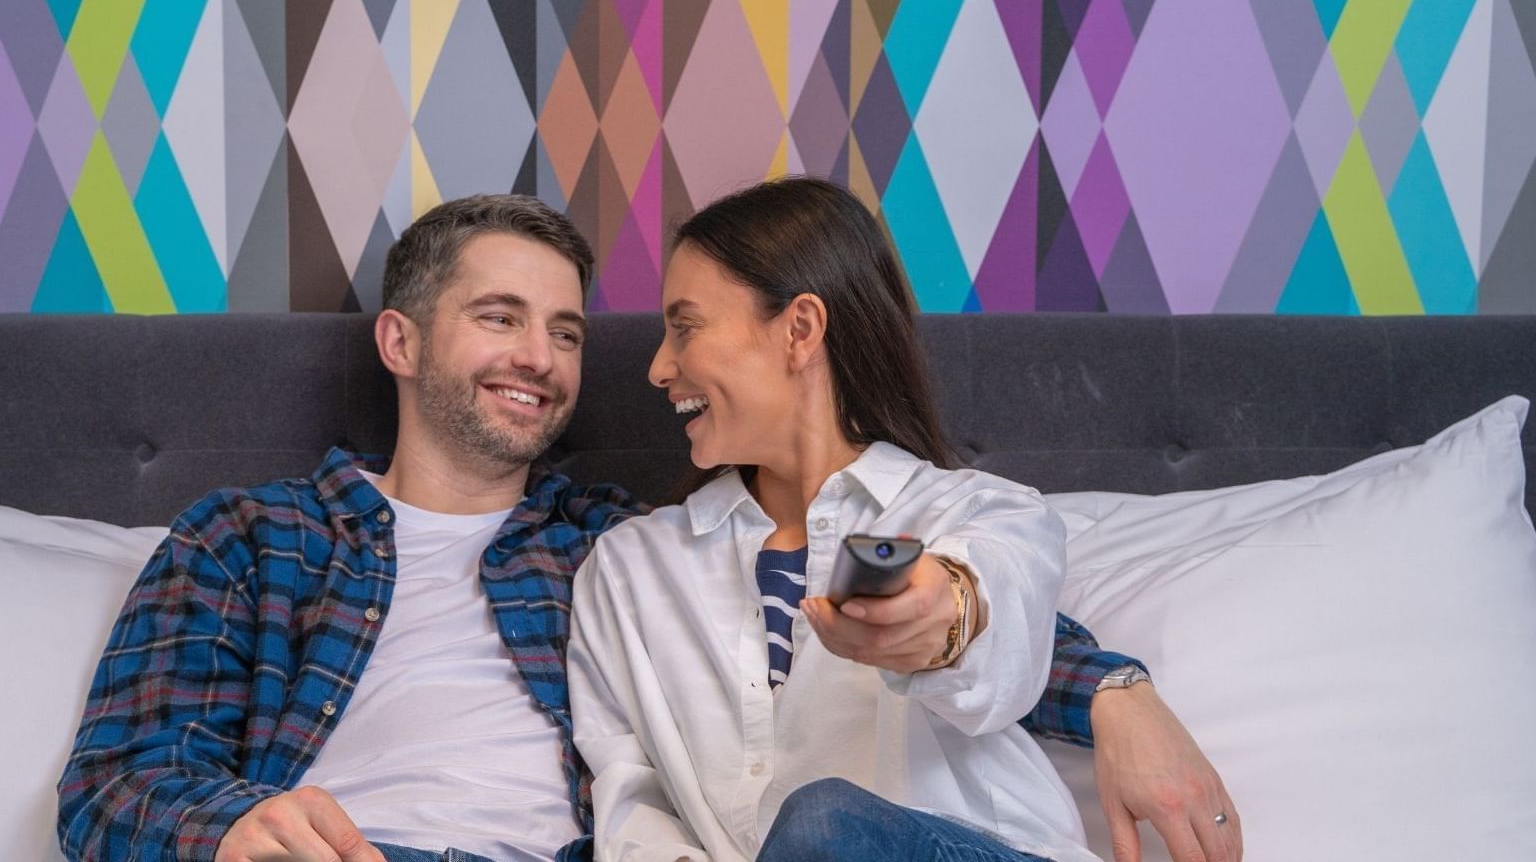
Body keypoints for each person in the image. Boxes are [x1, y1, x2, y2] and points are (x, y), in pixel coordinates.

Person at [58, 193, 1236, 862]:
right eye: (501, 317)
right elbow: (115, 783)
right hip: (360, 853)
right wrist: (233, 832)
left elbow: (955, 591)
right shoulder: (249, 540)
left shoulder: (595, 540)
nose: (542, 356)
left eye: (568, 331)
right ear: (401, 343)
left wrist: (1118, 690)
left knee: (823, 826)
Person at [567, 178, 1240, 862]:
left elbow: (991, 614)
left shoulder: (981, 511)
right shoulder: (628, 569)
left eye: (685, 327)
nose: (658, 367)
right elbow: (631, 794)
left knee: (825, 822)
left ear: (799, 330)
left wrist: (938, 617)